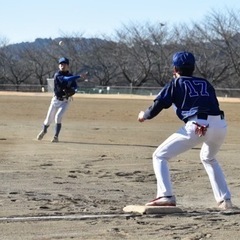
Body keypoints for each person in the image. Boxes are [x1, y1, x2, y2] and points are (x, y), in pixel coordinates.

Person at [138, 51, 232, 210]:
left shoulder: (175, 84)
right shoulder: (205, 83)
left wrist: (144, 115)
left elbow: (158, 105)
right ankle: (225, 200)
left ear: (175, 68)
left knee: (159, 155)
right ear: (193, 68)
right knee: (208, 158)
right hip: (220, 125)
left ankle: (165, 196)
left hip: (198, 125)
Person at [37, 57, 80, 143]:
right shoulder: (57, 75)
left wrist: (74, 90)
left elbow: (75, 86)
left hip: (65, 101)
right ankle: (44, 130)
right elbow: (66, 79)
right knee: (48, 120)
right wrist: (79, 76)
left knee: (58, 117)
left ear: (68, 66)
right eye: (61, 64)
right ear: (59, 66)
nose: (62, 66)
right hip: (55, 100)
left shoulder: (71, 75)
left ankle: (56, 136)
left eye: (64, 64)